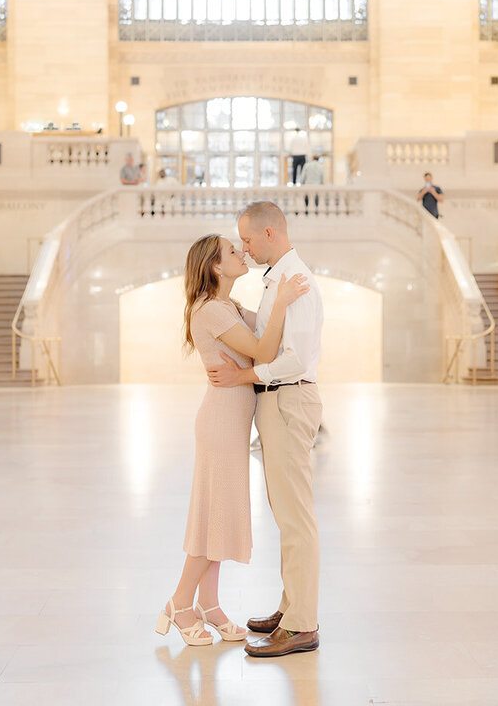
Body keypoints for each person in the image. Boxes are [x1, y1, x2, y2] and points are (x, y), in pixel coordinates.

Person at [156, 235, 309, 647]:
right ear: (215, 267)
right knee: (216, 516)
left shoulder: (228, 307)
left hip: (230, 423)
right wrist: (281, 302)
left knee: (217, 513)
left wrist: (277, 296)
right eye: (231, 251)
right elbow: (263, 348)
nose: (241, 253)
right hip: (221, 423)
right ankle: (180, 602)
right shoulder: (209, 311)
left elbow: (263, 340)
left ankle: (209, 603)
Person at [206, 201, 325, 658]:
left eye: (249, 240)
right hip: (278, 404)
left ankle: (302, 625)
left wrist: (243, 376)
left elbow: (292, 358)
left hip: (289, 399)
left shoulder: (297, 282)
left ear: (271, 233)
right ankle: (291, 606)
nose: (245, 247)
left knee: (296, 517)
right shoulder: (278, 280)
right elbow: (267, 337)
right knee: (287, 514)